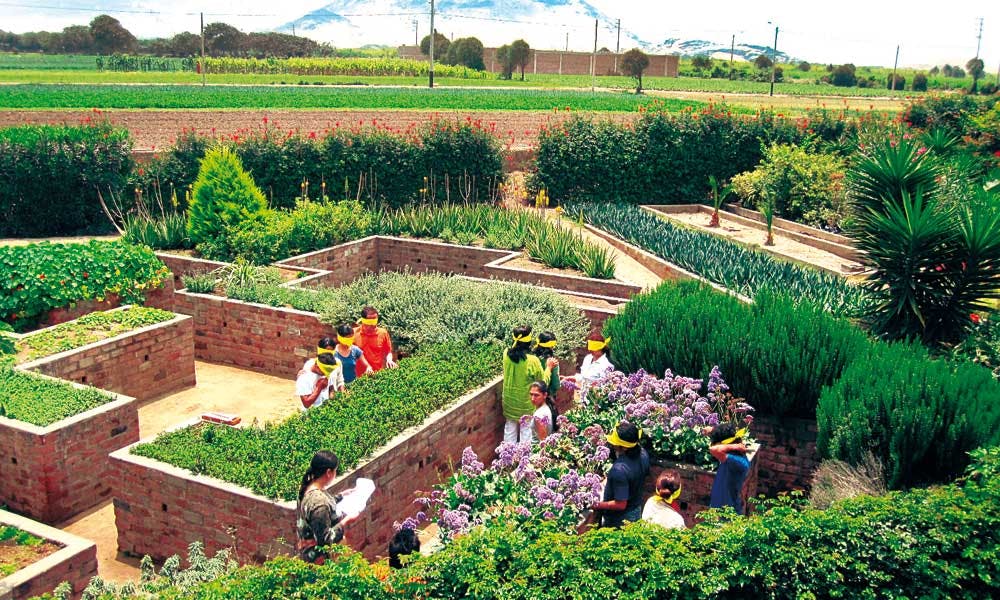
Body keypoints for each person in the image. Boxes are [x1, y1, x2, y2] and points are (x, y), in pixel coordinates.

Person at [296, 450, 356, 564]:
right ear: (329, 472)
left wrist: (342, 496)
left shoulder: (308, 487)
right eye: (335, 471)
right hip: (322, 561)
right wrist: (346, 521)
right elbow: (325, 540)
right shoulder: (319, 503)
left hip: (307, 553)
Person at [502, 325, 556, 444]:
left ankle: (506, 460)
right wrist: (549, 368)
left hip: (509, 402)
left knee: (509, 430)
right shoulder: (532, 360)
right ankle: (523, 460)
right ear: (529, 342)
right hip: (526, 404)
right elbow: (542, 383)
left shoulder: (506, 354)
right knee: (526, 433)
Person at [592, 421, 650, 528]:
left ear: (624, 447)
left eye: (615, 443)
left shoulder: (619, 470)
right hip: (636, 510)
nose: (613, 445)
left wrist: (596, 504)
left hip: (620, 520)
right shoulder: (643, 453)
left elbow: (620, 504)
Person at [708, 423, 751, 515]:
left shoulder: (737, 461)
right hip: (719, 509)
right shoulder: (731, 456)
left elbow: (713, 449)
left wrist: (735, 446)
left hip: (728, 514)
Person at [353, 306, 397, 374]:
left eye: (375, 321)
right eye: (370, 322)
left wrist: (389, 360)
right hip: (356, 377)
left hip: (376, 375)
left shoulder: (383, 333)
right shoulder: (353, 333)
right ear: (363, 321)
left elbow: (388, 351)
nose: (373, 325)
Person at [573, 331, 614, 402]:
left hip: (594, 401)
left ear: (600, 348)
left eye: (593, 348)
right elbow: (583, 376)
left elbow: (604, 387)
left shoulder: (606, 365)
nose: (590, 350)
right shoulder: (587, 358)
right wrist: (570, 378)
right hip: (581, 399)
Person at [530, 331, 560, 395]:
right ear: (551, 347)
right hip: (546, 394)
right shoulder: (552, 362)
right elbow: (555, 384)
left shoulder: (531, 357)